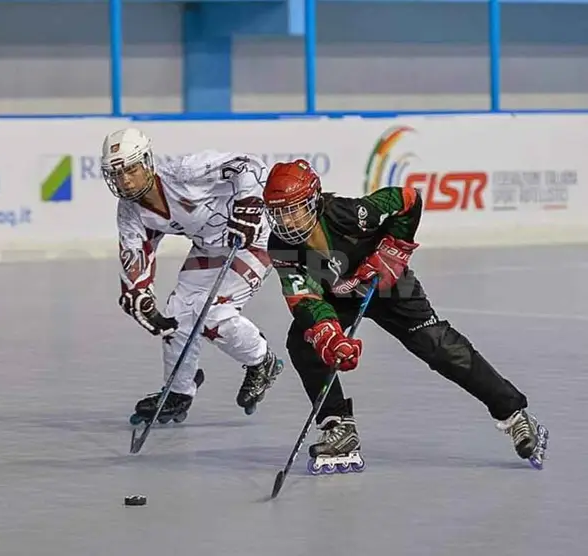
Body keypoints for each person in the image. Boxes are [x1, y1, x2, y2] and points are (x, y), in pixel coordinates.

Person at [262, 159, 549, 474]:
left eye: (294, 209)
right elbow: (303, 298)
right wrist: (329, 337)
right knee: (303, 342)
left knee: (438, 346)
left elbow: (408, 200)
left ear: (315, 201)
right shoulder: (280, 246)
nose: (287, 221)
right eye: (278, 213)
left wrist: (393, 249)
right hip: (338, 297)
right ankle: (338, 426)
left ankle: (514, 413)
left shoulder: (350, 214)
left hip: (388, 285)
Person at [101, 128, 284, 424]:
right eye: (116, 174)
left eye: (131, 169)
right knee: (178, 314)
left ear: (147, 162)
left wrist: (249, 205)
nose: (125, 181)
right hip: (208, 248)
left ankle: (262, 360)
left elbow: (249, 165)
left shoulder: (186, 172)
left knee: (211, 314)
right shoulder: (129, 211)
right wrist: (139, 298)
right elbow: (135, 258)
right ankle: (178, 391)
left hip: (253, 241)